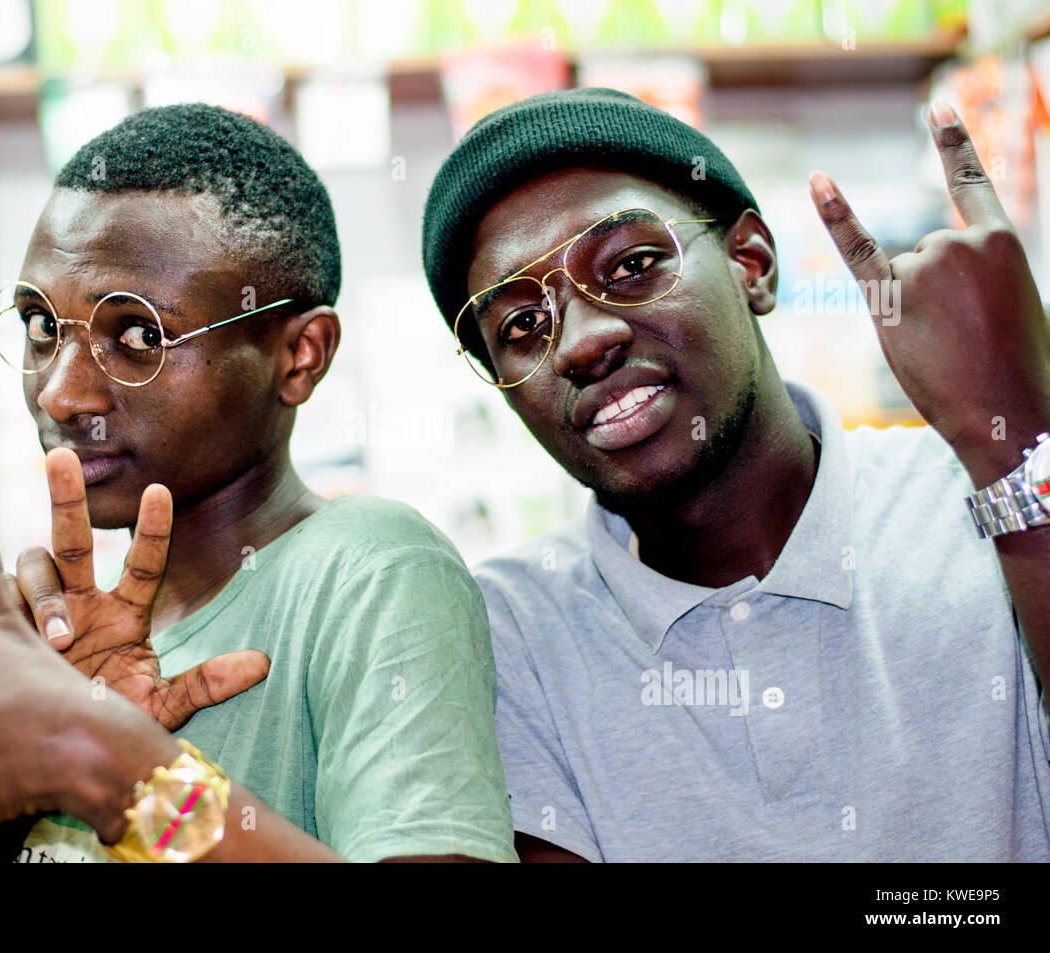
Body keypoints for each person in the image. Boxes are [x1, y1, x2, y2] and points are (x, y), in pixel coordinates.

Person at [0, 103, 516, 863]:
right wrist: (13, 736)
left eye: (140, 334)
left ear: (300, 354)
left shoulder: (373, 568)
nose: (60, 393)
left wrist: (101, 762)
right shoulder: (95, 629)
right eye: (42, 325)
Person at [420, 87, 1050, 861]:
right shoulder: (512, 633)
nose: (581, 344)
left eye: (632, 264)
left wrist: (1018, 433)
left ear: (751, 262)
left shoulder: (981, 495)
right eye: (523, 326)